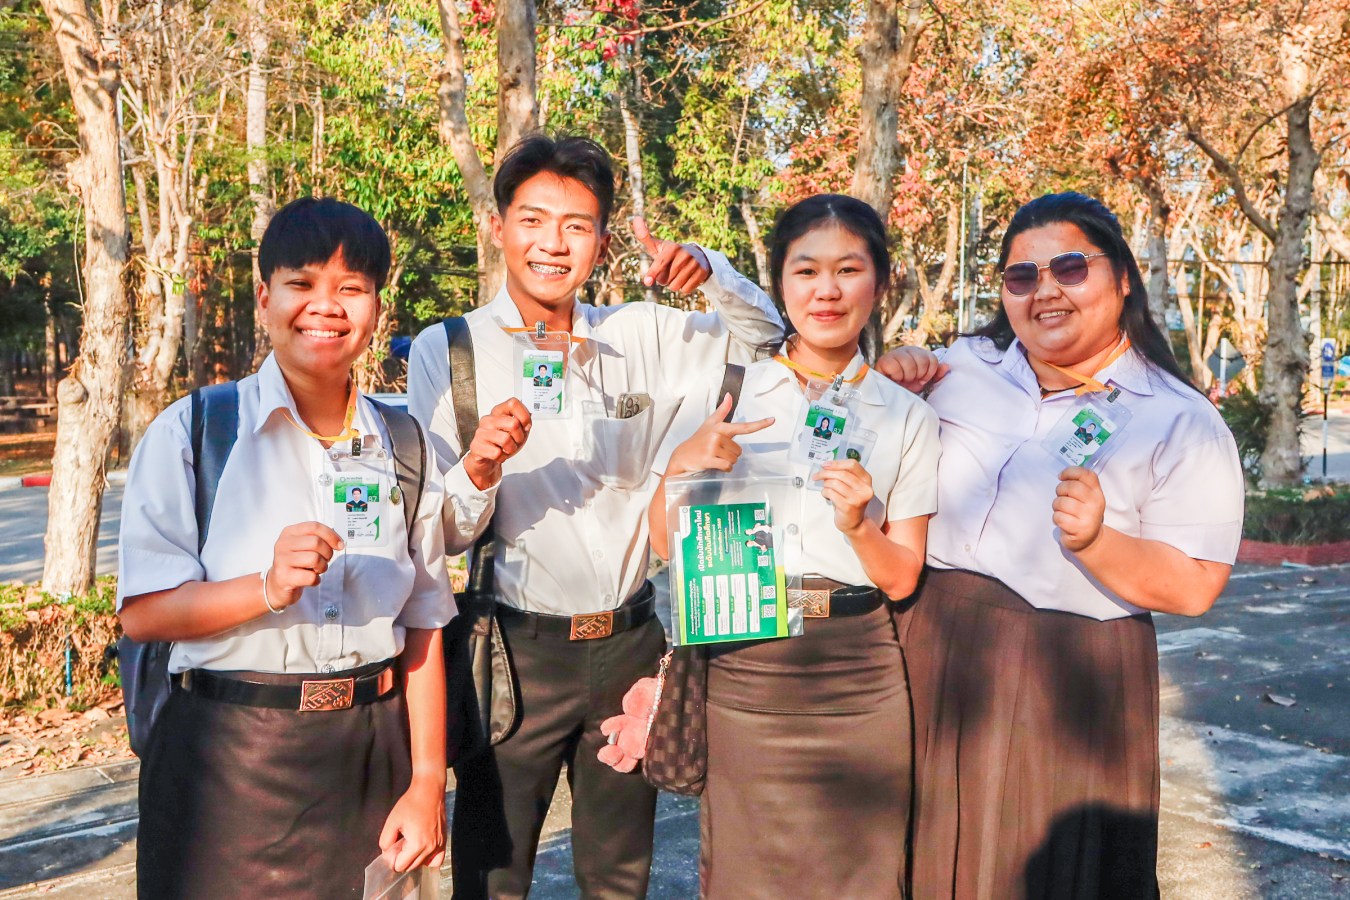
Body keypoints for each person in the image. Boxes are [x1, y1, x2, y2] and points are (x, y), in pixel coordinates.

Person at [407, 134, 783, 900]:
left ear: (602, 244)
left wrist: (712, 272)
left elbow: (769, 338)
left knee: (619, 877)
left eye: (576, 225)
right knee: (491, 877)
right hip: (511, 655)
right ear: (497, 227)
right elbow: (437, 532)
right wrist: (479, 469)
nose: (553, 243)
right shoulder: (449, 351)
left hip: (629, 645)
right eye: (533, 220)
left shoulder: (641, 335)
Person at [118, 197, 524, 898]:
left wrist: (427, 780)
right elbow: (144, 613)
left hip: (372, 754)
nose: (326, 307)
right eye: (302, 284)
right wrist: (266, 588)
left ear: (376, 307)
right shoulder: (195, 432)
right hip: (226, 759)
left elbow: (425, 621)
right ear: (264, 297)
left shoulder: (405, 446)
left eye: (351, 288)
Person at [880, 192, 1244, 899]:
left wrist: (1098, 542)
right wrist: (895, 383)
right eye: (1022, 276)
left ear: (1123, 278)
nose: (1045, 290)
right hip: (930, 645)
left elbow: (1197, 583)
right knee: (920, 860)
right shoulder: (962, 367)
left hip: (1069, 672)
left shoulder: (1180, 419)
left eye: (1070, 268)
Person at [603, 194, 940, 899]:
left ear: (880, 283)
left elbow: (903, 577)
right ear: (781, 284)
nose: (827, 290)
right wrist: (685, 464)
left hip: (859, 674)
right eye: (806, 271)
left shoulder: (907, 414)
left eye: (848, 270)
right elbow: (664, 543)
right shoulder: (729, 391)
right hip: (745, 665)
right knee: (746, 876)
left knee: (865, 880)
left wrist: (859, 526)